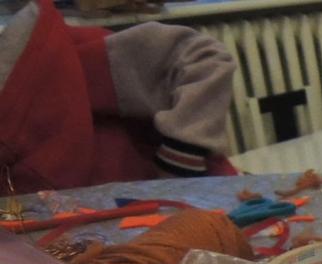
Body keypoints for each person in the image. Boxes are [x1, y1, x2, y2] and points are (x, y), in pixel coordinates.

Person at [0, 0, 237, 195]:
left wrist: (179, 165)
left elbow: (205, 57)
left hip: (187, 196)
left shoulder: (53, 55)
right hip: (97, 221)